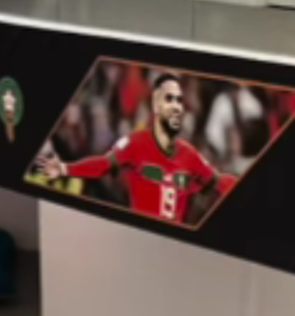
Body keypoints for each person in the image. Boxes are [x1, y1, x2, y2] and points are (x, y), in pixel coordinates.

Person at [35, 73, 221, 227]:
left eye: (179, 101)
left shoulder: (189, 153)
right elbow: (105, 165)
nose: (176, 106)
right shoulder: (136, 143)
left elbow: (215, 184)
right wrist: (66, 169)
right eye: (169, 100)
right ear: (155, 105)